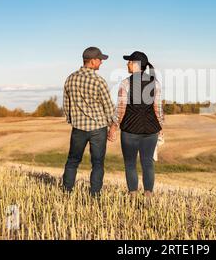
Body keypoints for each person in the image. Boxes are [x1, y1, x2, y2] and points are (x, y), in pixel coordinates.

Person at [62, 46, 116, 196]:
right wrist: (113, 126)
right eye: (100, 60)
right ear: (92, 61)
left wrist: (72, 120)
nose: (101, 63)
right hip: (98, 128)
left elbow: (66, 104)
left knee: (72, 161)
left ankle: (66, 192)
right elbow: (109, 107)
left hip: (78, 128)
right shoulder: (99, 81)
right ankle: (95, 195)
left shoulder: (70, 78)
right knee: (97, 163)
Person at [109, 51, 164, 198]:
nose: (127, 64)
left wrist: (113, 127)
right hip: (151, 130)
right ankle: (148, 196)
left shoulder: (126, 83)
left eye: (129, 61)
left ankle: (132, 196)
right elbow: (158, 109)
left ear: (136, 64)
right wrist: (161, 128)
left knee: (130, 163)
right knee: (147, 163)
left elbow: (121, 109)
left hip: (130, 130)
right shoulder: (155, 83)